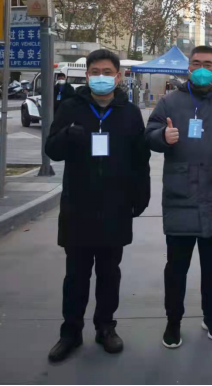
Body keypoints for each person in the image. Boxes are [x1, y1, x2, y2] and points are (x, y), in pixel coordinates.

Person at [45, 50, 151, 363]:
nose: (100, 77)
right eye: (95, 71)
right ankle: (70, 332)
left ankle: (105, 327)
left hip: (115, 207)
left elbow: (140, 158)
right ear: (87, 75)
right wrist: (67, 135)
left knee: (109, 273)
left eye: (107, 72)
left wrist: (140, 195)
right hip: (78, 206)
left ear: (118, 77)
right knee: (75, 275)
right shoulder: (71, 107)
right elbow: (52, 150)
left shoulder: (129, 112)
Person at [145, 46, 212, 349]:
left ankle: (210, 315)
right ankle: (173, 322)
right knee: (176, 266)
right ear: (188, 68)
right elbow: (149, 134)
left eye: (208, 64)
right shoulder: (170, 101)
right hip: (181, 195)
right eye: (196, 63)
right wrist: (162, 137)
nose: (202, 69)